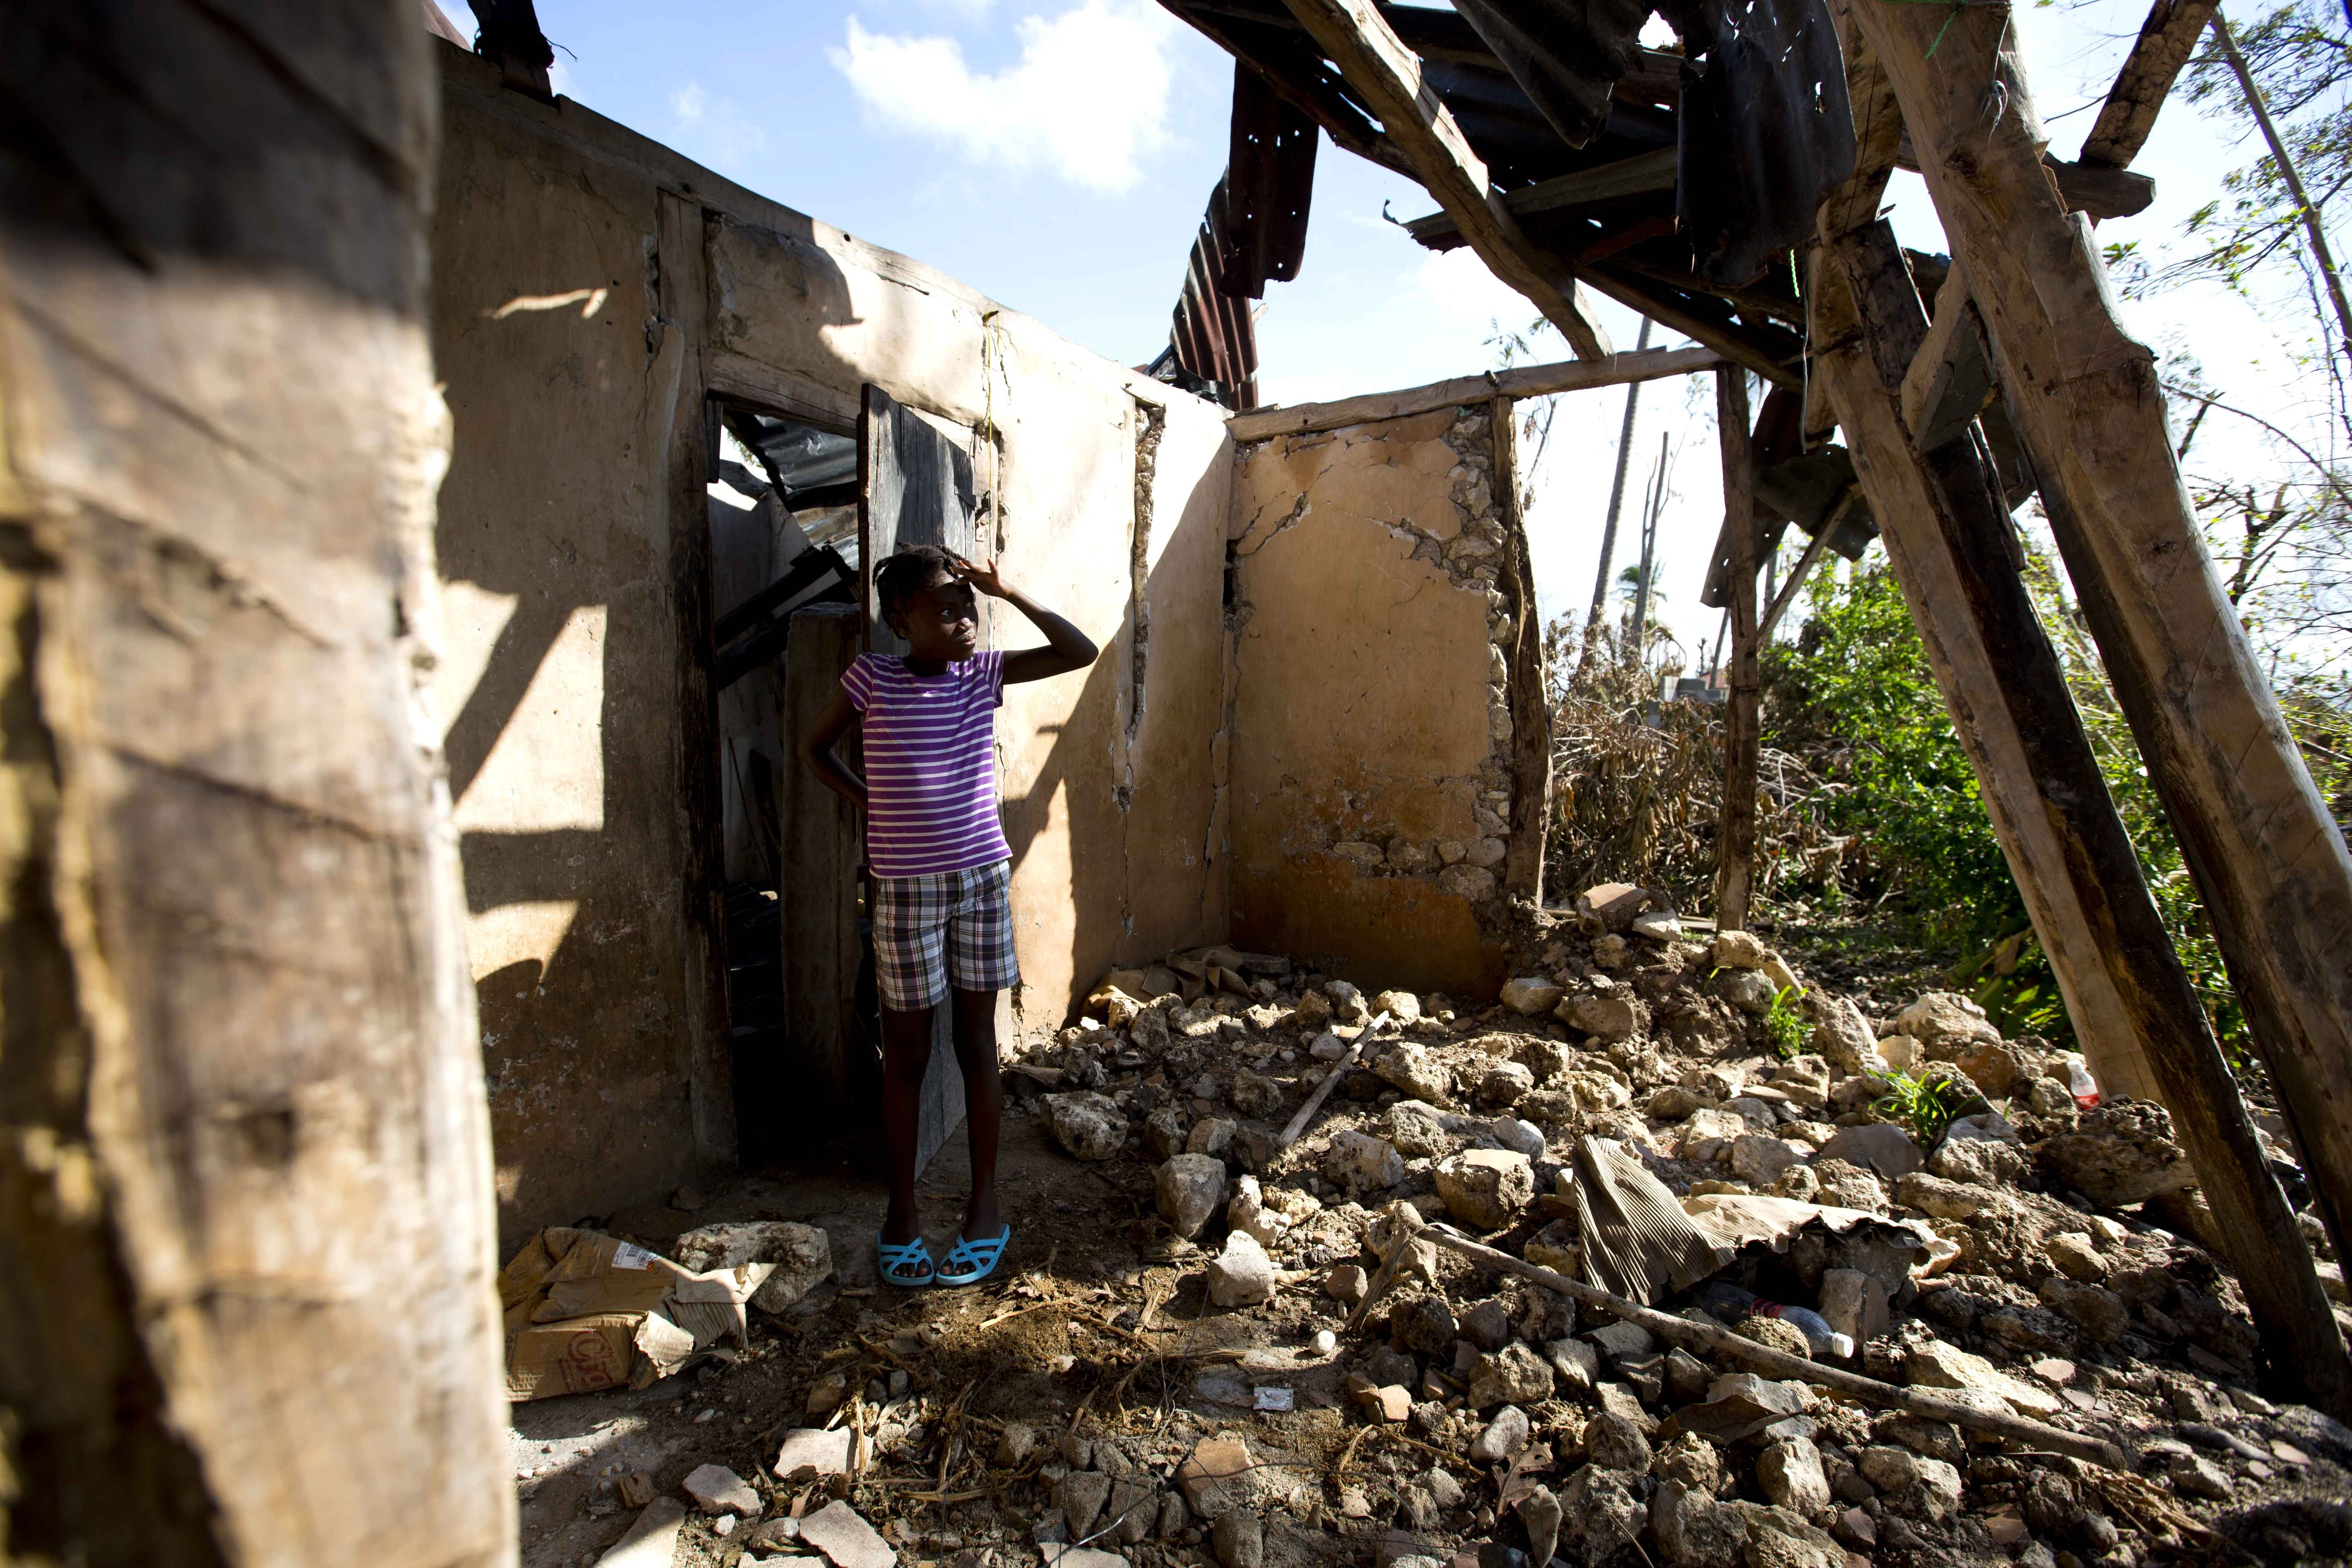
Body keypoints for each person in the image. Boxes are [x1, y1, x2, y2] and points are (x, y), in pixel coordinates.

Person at [799, 544, 1098, 1287]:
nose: (963, 618)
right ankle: (900, 1212)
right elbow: (815, 749)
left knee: (975, 1045)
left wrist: (1012, 591)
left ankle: (984, 1204)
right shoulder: (874, 678)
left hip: (980, 884)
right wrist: (875, 802)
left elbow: (1077, 650)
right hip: (904, 891)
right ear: (901, 620)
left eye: (968, 605)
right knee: (905, 1054)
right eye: (943, 607)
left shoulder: (981, 674)